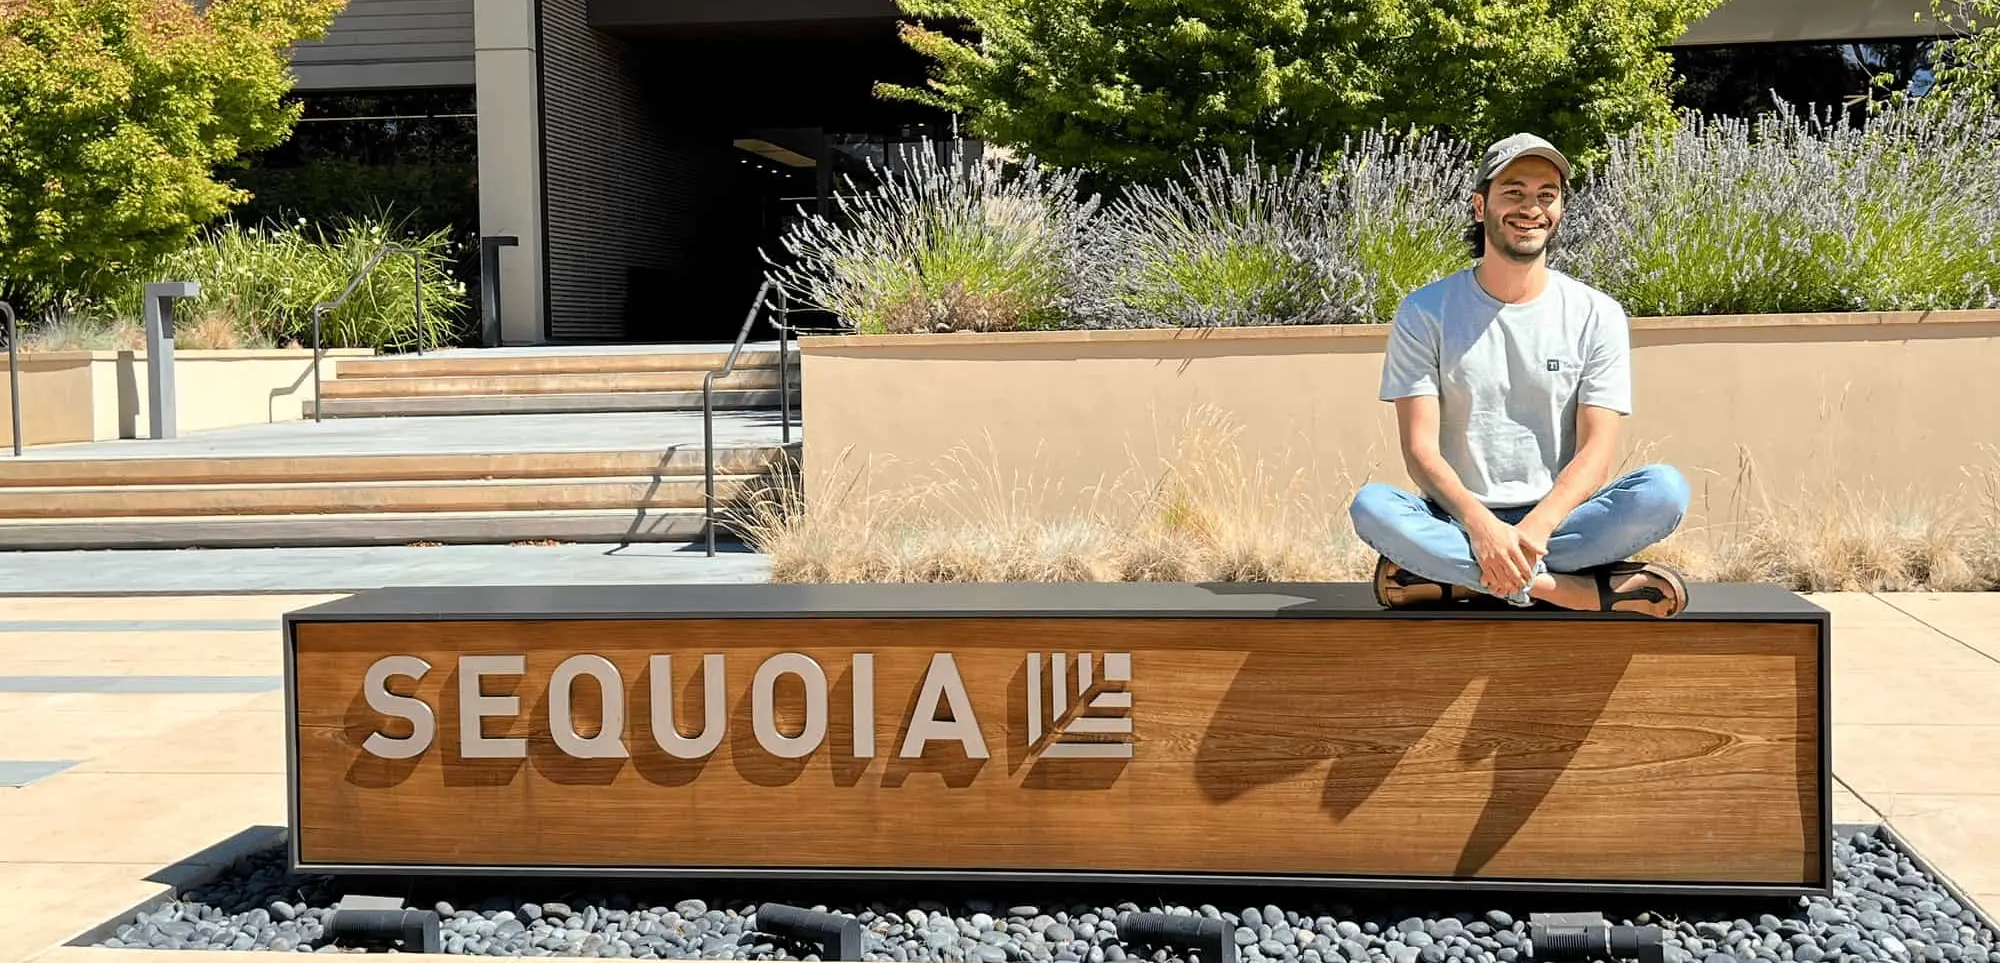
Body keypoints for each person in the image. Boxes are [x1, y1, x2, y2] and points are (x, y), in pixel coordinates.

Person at [1348, 132, 1694, 618]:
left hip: (1562, 522)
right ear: (1478, 205)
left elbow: (1597, 452)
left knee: (1664, 490)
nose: (1530, 206)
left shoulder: (1597, 313)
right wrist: (1482, 528)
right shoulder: (1425, 311)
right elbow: (1420, 451)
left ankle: (1461, 582)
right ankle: (1571, 591)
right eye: (1513, 191)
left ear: (1559, 212)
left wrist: (1532, 532)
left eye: (1545, 195)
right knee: (1372, 507)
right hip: (1458, 521)